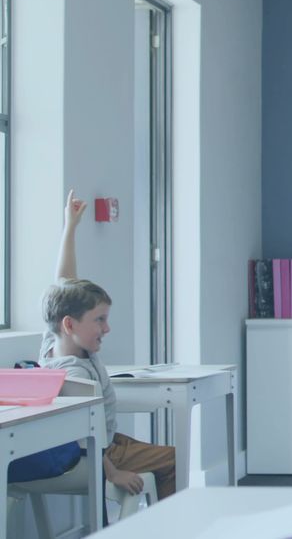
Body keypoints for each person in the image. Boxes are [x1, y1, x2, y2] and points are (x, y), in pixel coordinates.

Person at [39, 190, 177, 500]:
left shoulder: (53, 341)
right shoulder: (75, 373)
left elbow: (64, 281)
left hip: (107, 443)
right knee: (174, 459)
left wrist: (70, 227)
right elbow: (84, 437)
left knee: (162, 454)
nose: (107, 328)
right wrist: (112, 473)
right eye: (99, 320)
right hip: (100, 452)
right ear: (70, 324)